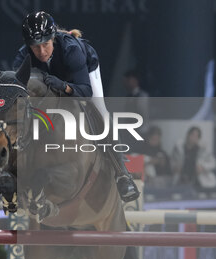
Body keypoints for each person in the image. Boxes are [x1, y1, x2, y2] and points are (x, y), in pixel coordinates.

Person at [10, 11, 139, 202]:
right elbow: (15, 87)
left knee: (100, 112)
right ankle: (6, 173)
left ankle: (122, 174)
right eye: (35, 47)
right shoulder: (23, 55)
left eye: (45, 44)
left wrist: (64, 86)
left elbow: (85, 92)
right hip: (50, 81)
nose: (42, 52)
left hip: (82, 76)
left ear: (53, 38)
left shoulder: (72, 50)